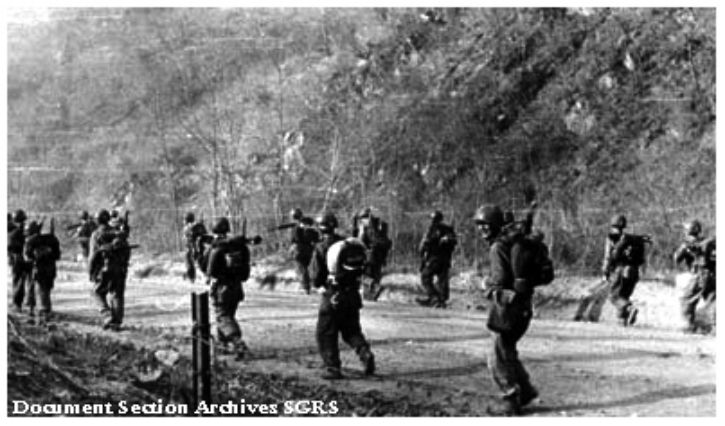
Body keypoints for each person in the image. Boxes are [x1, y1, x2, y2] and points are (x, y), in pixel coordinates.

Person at [474, 204, 543, 415]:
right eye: (479, 224)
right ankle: (527, 391)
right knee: (508, 352)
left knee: (496, 358)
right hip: (524, 307)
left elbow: (500, 281)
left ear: (495, 224)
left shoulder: (498, 247)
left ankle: (510, 399)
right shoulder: (515, 242)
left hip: (507, 309)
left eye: (485, 224)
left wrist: (484, 284)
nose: (482, 229)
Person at [309, 213, 375, 380]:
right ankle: (364, 352)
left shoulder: (321, 247)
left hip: (333, 295)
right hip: (352, 294)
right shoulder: (349, 244)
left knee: (326, 333)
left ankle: (332, 368)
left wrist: (318, 284)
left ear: (320, 229)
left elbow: (315, 277)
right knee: (351, 330)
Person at [206, 217, 251, 358]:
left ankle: (237, 342)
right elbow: (246, 272)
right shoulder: (241, 247)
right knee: (228, 316)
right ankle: (222, 345)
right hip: (237, 287)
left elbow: (210, 271)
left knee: (222, 317)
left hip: (222, 288)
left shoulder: (217, 248)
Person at [600, 215, 649, 326]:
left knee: (614, 297)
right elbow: (642, 259)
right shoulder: (634, 239)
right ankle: (622, 321)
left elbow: (608, 256)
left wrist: (605, 272)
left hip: (620, 270)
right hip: (634, 271)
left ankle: (629, 308)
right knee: (624, 296)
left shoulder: (612, 238)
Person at [89, 209, 131, 331]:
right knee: (117, 294)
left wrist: (91, 271)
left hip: (104, 269)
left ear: (97, 220)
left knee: (96, 292)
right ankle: (116, 322)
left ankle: (107, 315)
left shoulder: (96, 234)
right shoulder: (119, 233)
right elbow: (127, 251)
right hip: (120, 268)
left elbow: (93, 256)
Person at [673, 220, 716, 333]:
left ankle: (688, 325)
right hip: (713, 276)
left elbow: (677, 258)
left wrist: (685, 248)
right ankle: (713, 325)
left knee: (687, 300)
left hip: (698, 275)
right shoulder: (710, 243)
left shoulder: (689, 243)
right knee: (712, 300)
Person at [417, 210, 457, 308]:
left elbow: (425, 244)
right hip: (443, 259)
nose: (432, 221)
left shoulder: (433, 230)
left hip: (435, 258)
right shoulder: (446, 229)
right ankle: (440, 299)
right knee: (442, 280)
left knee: (426, 277)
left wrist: (423, 254)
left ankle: (435, 297)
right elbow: (453, 242)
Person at [24, 220, 61, 325]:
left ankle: (43, 312)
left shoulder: (31, 241)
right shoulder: (53, 239)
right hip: (51, 268)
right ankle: (46, 310)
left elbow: (27, 256)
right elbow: (57, 256)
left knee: (40, 289)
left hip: (38, 268)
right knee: (47, 289)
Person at [352, 207, 392, 302]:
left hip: (369, 258)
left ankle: (374, 288)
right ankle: (372, 296)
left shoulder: (369, 229)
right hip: (379, 258)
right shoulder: (380, 227)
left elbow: (359, 242)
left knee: (363, 277)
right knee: (374, 277)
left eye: (362, 218)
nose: (361, 221)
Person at [289, 208, 319, 294]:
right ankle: (309, 285)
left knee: (302, 268)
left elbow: (294, 239)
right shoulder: (309, 224)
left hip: (299, 249)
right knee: (307, 268)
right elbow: (316, 236)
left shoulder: (296, 227)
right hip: (309, 248)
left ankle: (306, 287)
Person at [8, 209, 29, 313]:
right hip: (19, 258)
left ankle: (17, 304)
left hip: (17, 259)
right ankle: (18, 303)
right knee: (20, 281)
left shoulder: (14, 232)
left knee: (18, 281)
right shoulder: (19, 232)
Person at [183, 212, 207, 283]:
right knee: (200, 262)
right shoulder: (199, 225)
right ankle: (205, 275)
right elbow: (205, 235)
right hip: (201, 247)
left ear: (187, 219)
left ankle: (191, 277)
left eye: (184, 219)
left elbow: (188, 240)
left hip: (191, 248)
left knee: (189, 261)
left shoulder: (187, 227)